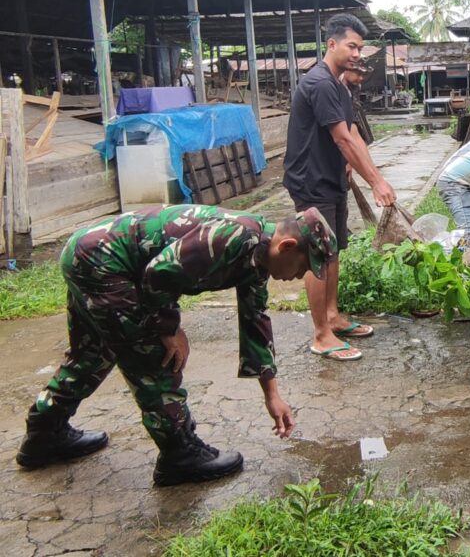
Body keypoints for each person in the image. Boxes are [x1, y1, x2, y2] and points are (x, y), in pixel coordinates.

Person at [16, 205, 336, 486]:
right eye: (303, 267)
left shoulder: (258, 256)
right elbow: (159, 273)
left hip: (93, 255)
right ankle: (179, 453)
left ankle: (45, 432)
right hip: (103, 262)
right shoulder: (232, 237)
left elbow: (255, 323)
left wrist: (273, 396)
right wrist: (169, 327)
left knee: (94, 352)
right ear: (288, 245)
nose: (299, 276)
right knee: (153, 355)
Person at [284, 13, 397, 363]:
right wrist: (376, 182)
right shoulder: (319, 83)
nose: (356, 54)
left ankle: (332, 317)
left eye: (360, 48)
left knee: (333, 251)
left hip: (331, 178)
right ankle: (321, 335)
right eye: (351, 46)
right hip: (310, 180)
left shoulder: (340, 85)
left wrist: (374, 174)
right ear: (331, 44)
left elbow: (355, 136)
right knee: (318, 254)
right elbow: (342, 139)